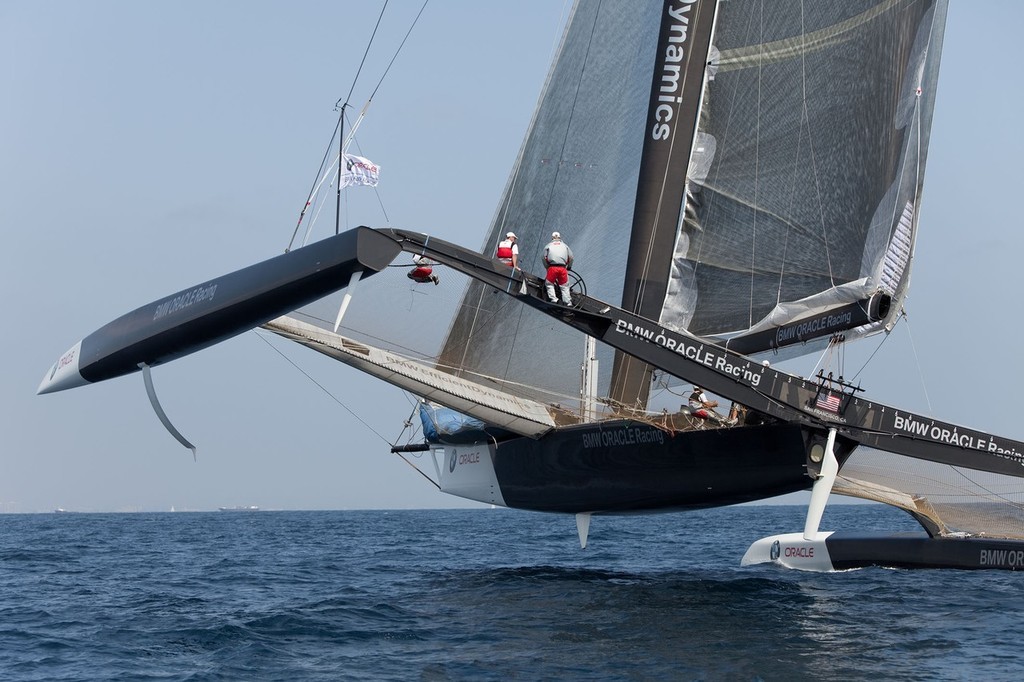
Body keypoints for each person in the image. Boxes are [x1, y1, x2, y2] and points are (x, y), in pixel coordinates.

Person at [542, 231, 573, 304]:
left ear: (552, 238)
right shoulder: (565, 246)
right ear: (559, 238)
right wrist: (569, 267)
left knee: (549, 284)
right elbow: (571, 257)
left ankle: (554, 300)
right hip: (562, 268)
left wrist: (547, 267)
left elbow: (543, 257)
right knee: (564, 286)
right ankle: (568, 303)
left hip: (552, 268)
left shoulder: (548, 246)